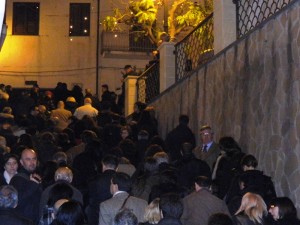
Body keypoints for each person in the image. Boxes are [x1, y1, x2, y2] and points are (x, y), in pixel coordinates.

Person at [10, 148, 42, 223]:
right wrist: (33, 185)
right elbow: (17, 200)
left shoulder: (35, 176)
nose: (32, 162)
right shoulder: (17, 179)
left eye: (34, 159)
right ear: (21, 162)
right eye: (28, 159)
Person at [86, 154, 119, 225]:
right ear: (117, 168)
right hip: (116, 215)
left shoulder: (93, 180)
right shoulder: (120, 180)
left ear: (103, 165)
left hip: (96, 216)